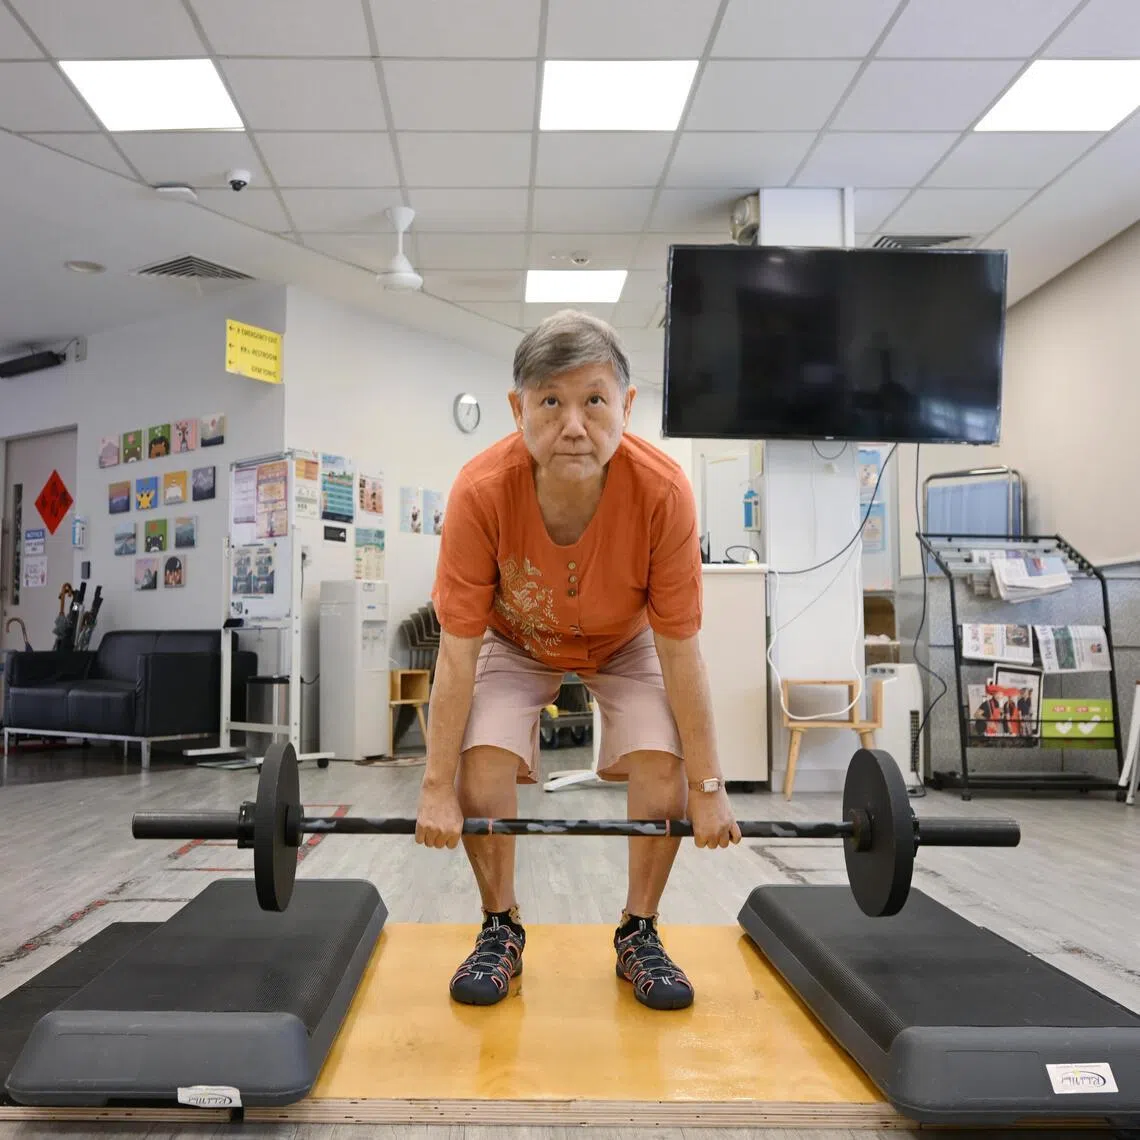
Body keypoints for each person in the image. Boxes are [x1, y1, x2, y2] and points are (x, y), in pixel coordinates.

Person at [415, 309, 740, 1012]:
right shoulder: (478, 492)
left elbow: (682, 654)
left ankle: (639, 931)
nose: (573, 424)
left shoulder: (664, 492)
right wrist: (437, 784)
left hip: (625, 640)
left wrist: (709, 787)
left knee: (662, 759)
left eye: (594, 400)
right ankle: (500, 926)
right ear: (517, 408)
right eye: (551, 401)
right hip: (516, 638)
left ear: (625, 405)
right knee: (485, 758)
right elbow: (458, 654)